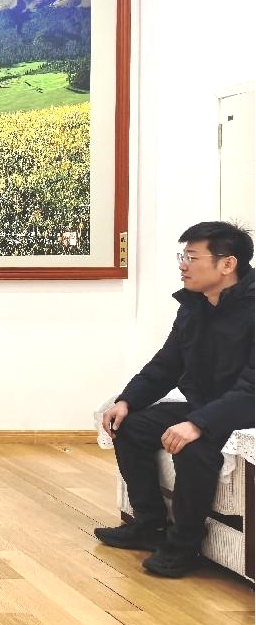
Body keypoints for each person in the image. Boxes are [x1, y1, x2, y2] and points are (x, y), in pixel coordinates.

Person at [95, 221, 254, 577]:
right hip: (207, 406)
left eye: (192, 257)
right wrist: (127, 401)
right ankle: (149, 525)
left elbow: (252, 388)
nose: (183, 265)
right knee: (130, 426)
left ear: (227, 264)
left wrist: (198, 423)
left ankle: (183, 546)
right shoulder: (194, 305)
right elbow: (168, 363)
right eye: (182, 256)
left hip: (245, 412)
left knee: (194, 448)